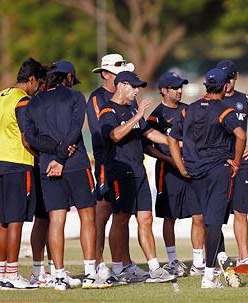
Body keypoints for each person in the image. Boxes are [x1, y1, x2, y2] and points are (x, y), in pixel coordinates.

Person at [168, 68, 246, 288]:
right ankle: (209, 276)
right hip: (217, 171)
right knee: (213, 223)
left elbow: (172, 139)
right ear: (223, 87)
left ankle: (210, 269)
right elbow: (240, 135)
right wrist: (237, 162)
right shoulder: (224, 110)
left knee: (205, 222)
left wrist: (181, 166)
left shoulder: (187, 111)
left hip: (193, 173)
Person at [24, 60, 98, 291]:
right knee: (87, 216)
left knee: (56, 220)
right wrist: (62, 155)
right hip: (75, 163)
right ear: (67, 77)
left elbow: (31, 138)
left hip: (47, 166)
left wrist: (54, 156)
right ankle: (90, 273)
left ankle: (59, 276)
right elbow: (75, 130)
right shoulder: (76, 97)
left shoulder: (33, 102)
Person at [99, 71, 176, 285]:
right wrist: (138, 115)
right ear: (121, 85)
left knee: (146, 219)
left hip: (139, 171)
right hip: (119, 172)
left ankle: (154, 268)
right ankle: (118, 268)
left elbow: (148, 133)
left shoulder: (133, 109)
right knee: (121, 219)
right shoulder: (108, 110)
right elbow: (114, 135)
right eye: (134, 86)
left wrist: (174, 143)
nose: (137, 90)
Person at [87, 54, 148, 283]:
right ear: (105, 74)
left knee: (123, 216)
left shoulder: (129, 100)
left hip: (128, 162)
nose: (121, 75)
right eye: (116, 71)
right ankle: (97, 263)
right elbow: (104, 132)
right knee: (101, 214)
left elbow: (137, 129)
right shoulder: (97, 98)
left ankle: (124, 263)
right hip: (107, 161)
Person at [146, 72, 205, 277]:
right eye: (174, 87)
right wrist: (168, 159)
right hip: (167, 171)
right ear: (163, 90)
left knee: (198, 215)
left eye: (180, 87)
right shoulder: (156, 116)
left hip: (191, 170)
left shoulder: (189, 111)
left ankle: (198, 263)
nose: (179, 91)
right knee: (169, 216)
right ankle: (172, 262)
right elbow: (147, 146)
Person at [0, 58, 46, 289]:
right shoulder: (23, 101)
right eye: (40, 82)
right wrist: (42, 156)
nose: (39, 88)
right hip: (18, 163)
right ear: (32, 79)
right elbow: (27, 139)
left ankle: (1, 272)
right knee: (15, 221)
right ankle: (13, 274)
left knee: (4, 221)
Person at [217, 60, 248, 266]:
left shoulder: (245, 100)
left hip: (241, 162)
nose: (226, 83)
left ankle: (244, 257)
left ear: (235, 78)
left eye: (229, 78)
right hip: (216, 162)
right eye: (223, 79)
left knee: (241, 211)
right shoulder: (211, 100)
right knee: (214, 212)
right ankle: (215, 257)